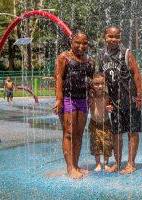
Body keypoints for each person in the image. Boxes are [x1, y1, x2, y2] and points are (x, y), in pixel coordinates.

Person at [98, 25, 142, 174]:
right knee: (116, 133)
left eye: (117, 36)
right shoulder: (101, 55)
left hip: (130, 99)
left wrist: (139, 96)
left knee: (132, 131)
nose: (114, 39)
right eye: (110, 36)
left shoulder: (126, 53)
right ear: (104, 37)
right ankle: (118, 163)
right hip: (114, 101)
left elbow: (136, 74)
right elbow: (101, 80)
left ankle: (131, 163)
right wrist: (105, 101)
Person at [53, 30, 95, 179]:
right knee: (69, 133)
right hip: (67, 99)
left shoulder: (90, 61)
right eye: (78, 42)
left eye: (84, 43)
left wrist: (93, 93)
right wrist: (58, 99)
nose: (81, 46)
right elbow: (58, 78)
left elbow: (91, 80)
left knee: (79, 133)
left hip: (83, 100)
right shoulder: (64, 58)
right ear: (71, 42)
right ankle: (70, 168)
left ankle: (76, 165)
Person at [88, 72, 113, 172]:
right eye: (97, 84)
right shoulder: (91, 97)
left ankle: (106, 163)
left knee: (106, 144)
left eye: (102, 83)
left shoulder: (107, 96)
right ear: (92, 85)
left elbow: (110, 107)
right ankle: (98, 164)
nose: (100, 86)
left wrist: (108, 108)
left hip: (105, 123)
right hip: (94, 124)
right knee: (96, 144)